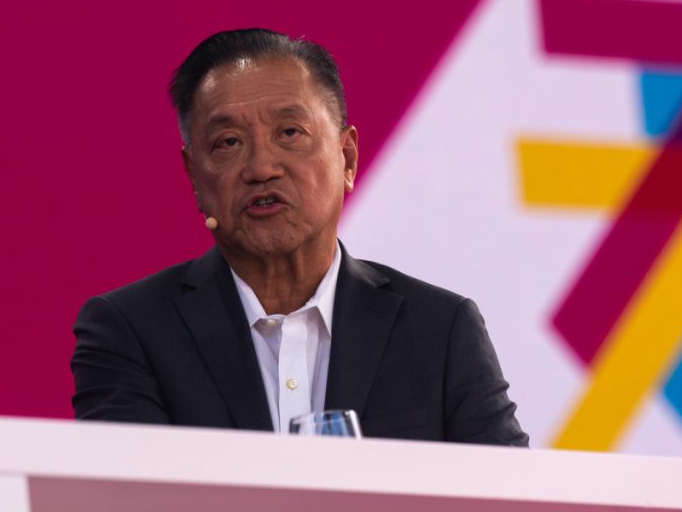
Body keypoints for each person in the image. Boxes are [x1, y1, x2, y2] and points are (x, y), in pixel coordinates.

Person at [71, 29, 528, 444]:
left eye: (290, 132)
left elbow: (511, 493)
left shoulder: (441, 330)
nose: (261, 168)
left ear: (347, 158)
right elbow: (125, 493)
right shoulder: (130, 332)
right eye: (228, 142)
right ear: (194, 177)